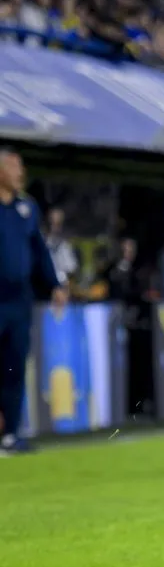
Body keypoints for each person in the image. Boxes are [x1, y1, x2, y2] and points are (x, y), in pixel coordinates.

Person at [0, 147, 66, 455]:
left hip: (19, 301)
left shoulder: (27, 208)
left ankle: (10, 435)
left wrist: (55, 284)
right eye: (14, 167)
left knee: (14, 367)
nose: (20, 174)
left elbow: (39, 250)